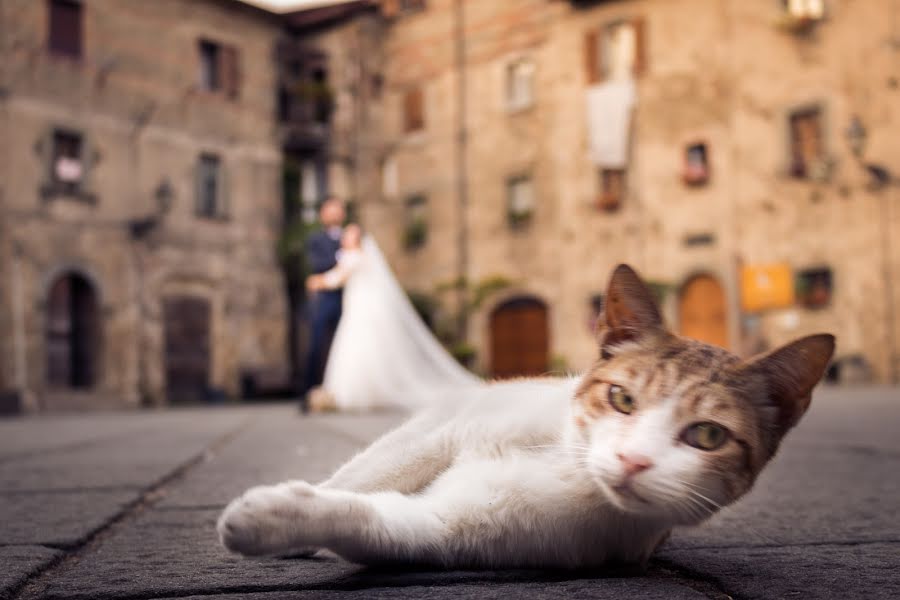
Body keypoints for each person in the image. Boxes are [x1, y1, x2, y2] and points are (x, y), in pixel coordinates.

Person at [305, 225, 481, 411]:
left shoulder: (355, 256)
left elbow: (337, 278)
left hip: (361, 309)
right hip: (358, 307)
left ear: (357, 239)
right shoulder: (357, 256)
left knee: (357, 347)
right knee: (362, 349)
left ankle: (354, 394)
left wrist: (318, 281)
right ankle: (364, 392)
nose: (345, 238)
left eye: (350, 235)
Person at [301, 198, 345, 412]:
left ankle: (341, 391)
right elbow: (317, 263)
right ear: (322, 214)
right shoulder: (315, 239)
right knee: (317, 343)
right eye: (329, 209)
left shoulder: (350, 236)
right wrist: (341, 262)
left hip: (348, 297)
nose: (333, 212)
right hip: (325, 298)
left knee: (345, 345)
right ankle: (309, 393)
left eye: (337, 208)